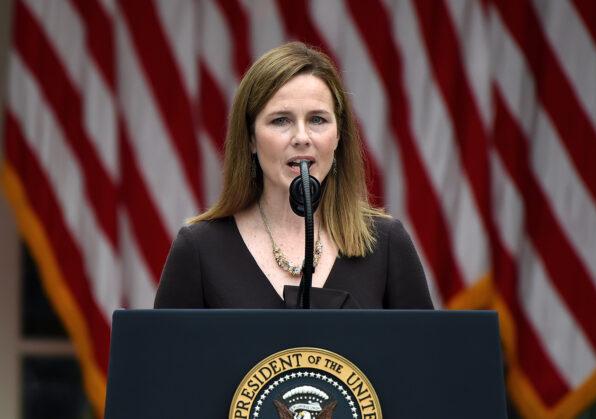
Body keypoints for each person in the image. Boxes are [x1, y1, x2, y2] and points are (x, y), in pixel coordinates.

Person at [154, 42, 433, 309]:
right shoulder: (200, 249)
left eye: (317, 120)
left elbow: (424, 356)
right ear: (250, 138)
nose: (301, 137)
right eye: (281, 120)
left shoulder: (386, 243)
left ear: (338, 137)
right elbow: (163, 357)